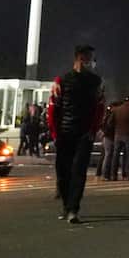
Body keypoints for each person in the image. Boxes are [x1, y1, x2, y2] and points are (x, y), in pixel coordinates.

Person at [46, 44, 105, 223]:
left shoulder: (96, 82)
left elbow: (99, 108)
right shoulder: (62, 81)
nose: (92, 62)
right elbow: (53, 109)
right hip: (64, 133)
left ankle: (73, 209)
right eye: (90, 58)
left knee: (79, 171)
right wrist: (55, 133)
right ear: (81, 58)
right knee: (63, 172)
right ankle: (67, 206)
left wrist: (93, 130)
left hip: (83, 134)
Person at [105, 95, 129, 180]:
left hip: (117, 135)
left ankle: (113, 175)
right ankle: (128, 175)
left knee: (115, 155)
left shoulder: (116, 110)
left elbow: (110, 123)